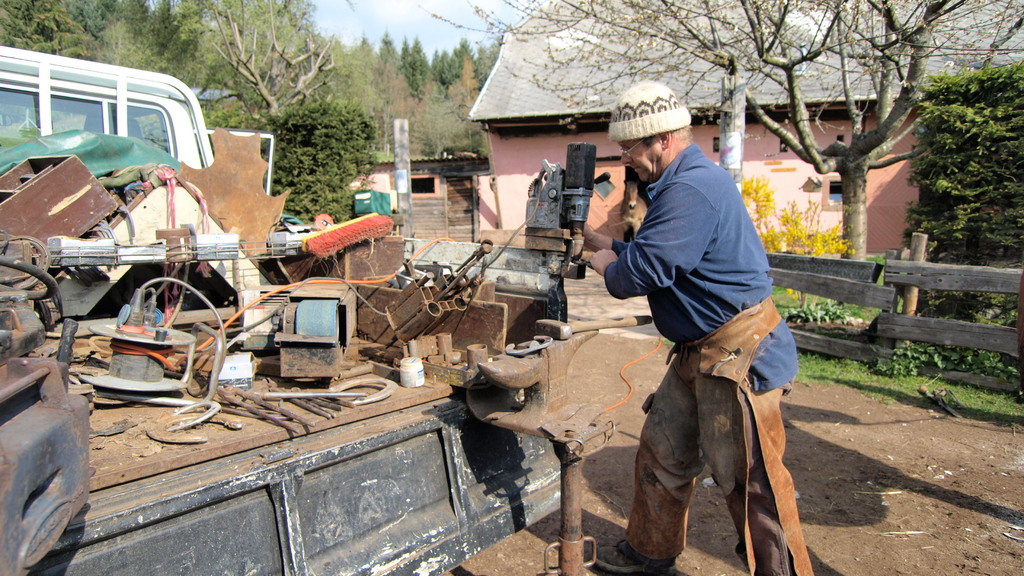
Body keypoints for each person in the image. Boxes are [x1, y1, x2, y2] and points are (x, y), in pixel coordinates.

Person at [585, 80, 815, 576]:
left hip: (738, 353)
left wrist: (605, 263)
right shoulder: (679, 183)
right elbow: (657, 258)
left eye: (631, 148)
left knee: (750, 479)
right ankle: (649, 555)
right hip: (698, 352)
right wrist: (597, 244)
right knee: (661, 453)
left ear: (662, 139)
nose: (627, 159)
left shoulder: (690, 188)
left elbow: (638, 275)